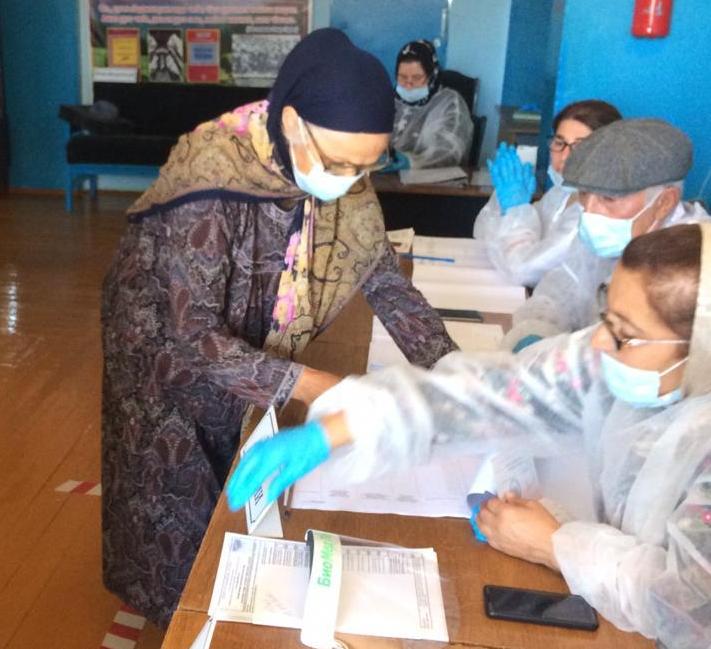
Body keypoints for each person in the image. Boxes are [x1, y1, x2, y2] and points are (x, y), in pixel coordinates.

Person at [100, 28, 456, 627]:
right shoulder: (209, 175)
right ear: (291, 123)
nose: (350, 180)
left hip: (252, 339)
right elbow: (193, 333)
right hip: (164, 350)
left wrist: (456, 379)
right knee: (174, 497)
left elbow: (387, 283)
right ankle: (179, 622)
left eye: (367, 166)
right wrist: (322, 388)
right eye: (340, 164)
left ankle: (230, 600)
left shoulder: (343, 170)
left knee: (243, 484)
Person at [227, 223, 711, 649]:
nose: (601, 341)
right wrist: (339, 428)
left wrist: (556, 545)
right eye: (606, 316)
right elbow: (496, 395)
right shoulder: (624, 357)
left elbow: (688, 607)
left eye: (623, 333)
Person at [503, 118, 709, 352]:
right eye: (583, 194)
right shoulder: (605, 239)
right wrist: (534, 333)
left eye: (609, 199)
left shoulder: (693, 266)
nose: (589, 211)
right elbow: (557, 295)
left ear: (664, 202)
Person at [474, 100, 622, 286]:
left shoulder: (596, 214)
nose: (565, 156)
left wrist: (517, 210)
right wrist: (504, 201)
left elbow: (523, 271)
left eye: (580, 146)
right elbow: (483, 234)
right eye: (560, 142)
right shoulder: (560, 194)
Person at [384, 39, 474, 171]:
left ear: (432, 76)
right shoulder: (390, 100)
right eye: (402, 77)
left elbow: (450, 152)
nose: (408, 84)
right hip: (387, 178)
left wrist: (412, 162)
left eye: (416, 78)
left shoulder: (450, 103)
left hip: (430, 180)